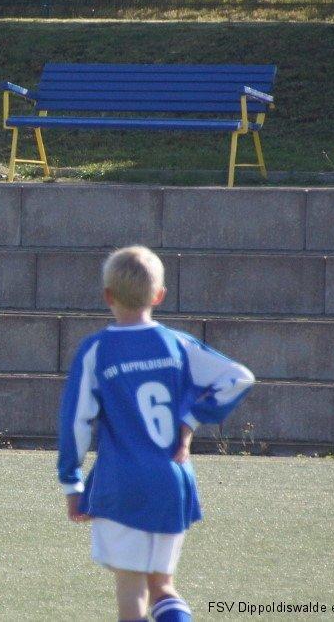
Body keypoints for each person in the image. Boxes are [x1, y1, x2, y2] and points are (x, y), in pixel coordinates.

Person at [58, 245, 254, 621]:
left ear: (108, 296)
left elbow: (76, 421)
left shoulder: (97, 350)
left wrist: (72, 482)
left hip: (122, 484)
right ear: (160, 295)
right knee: (162, 586)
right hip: (172, 482)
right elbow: (239, 378)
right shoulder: (178, 344)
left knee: (131, 587)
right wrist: (190, 419)